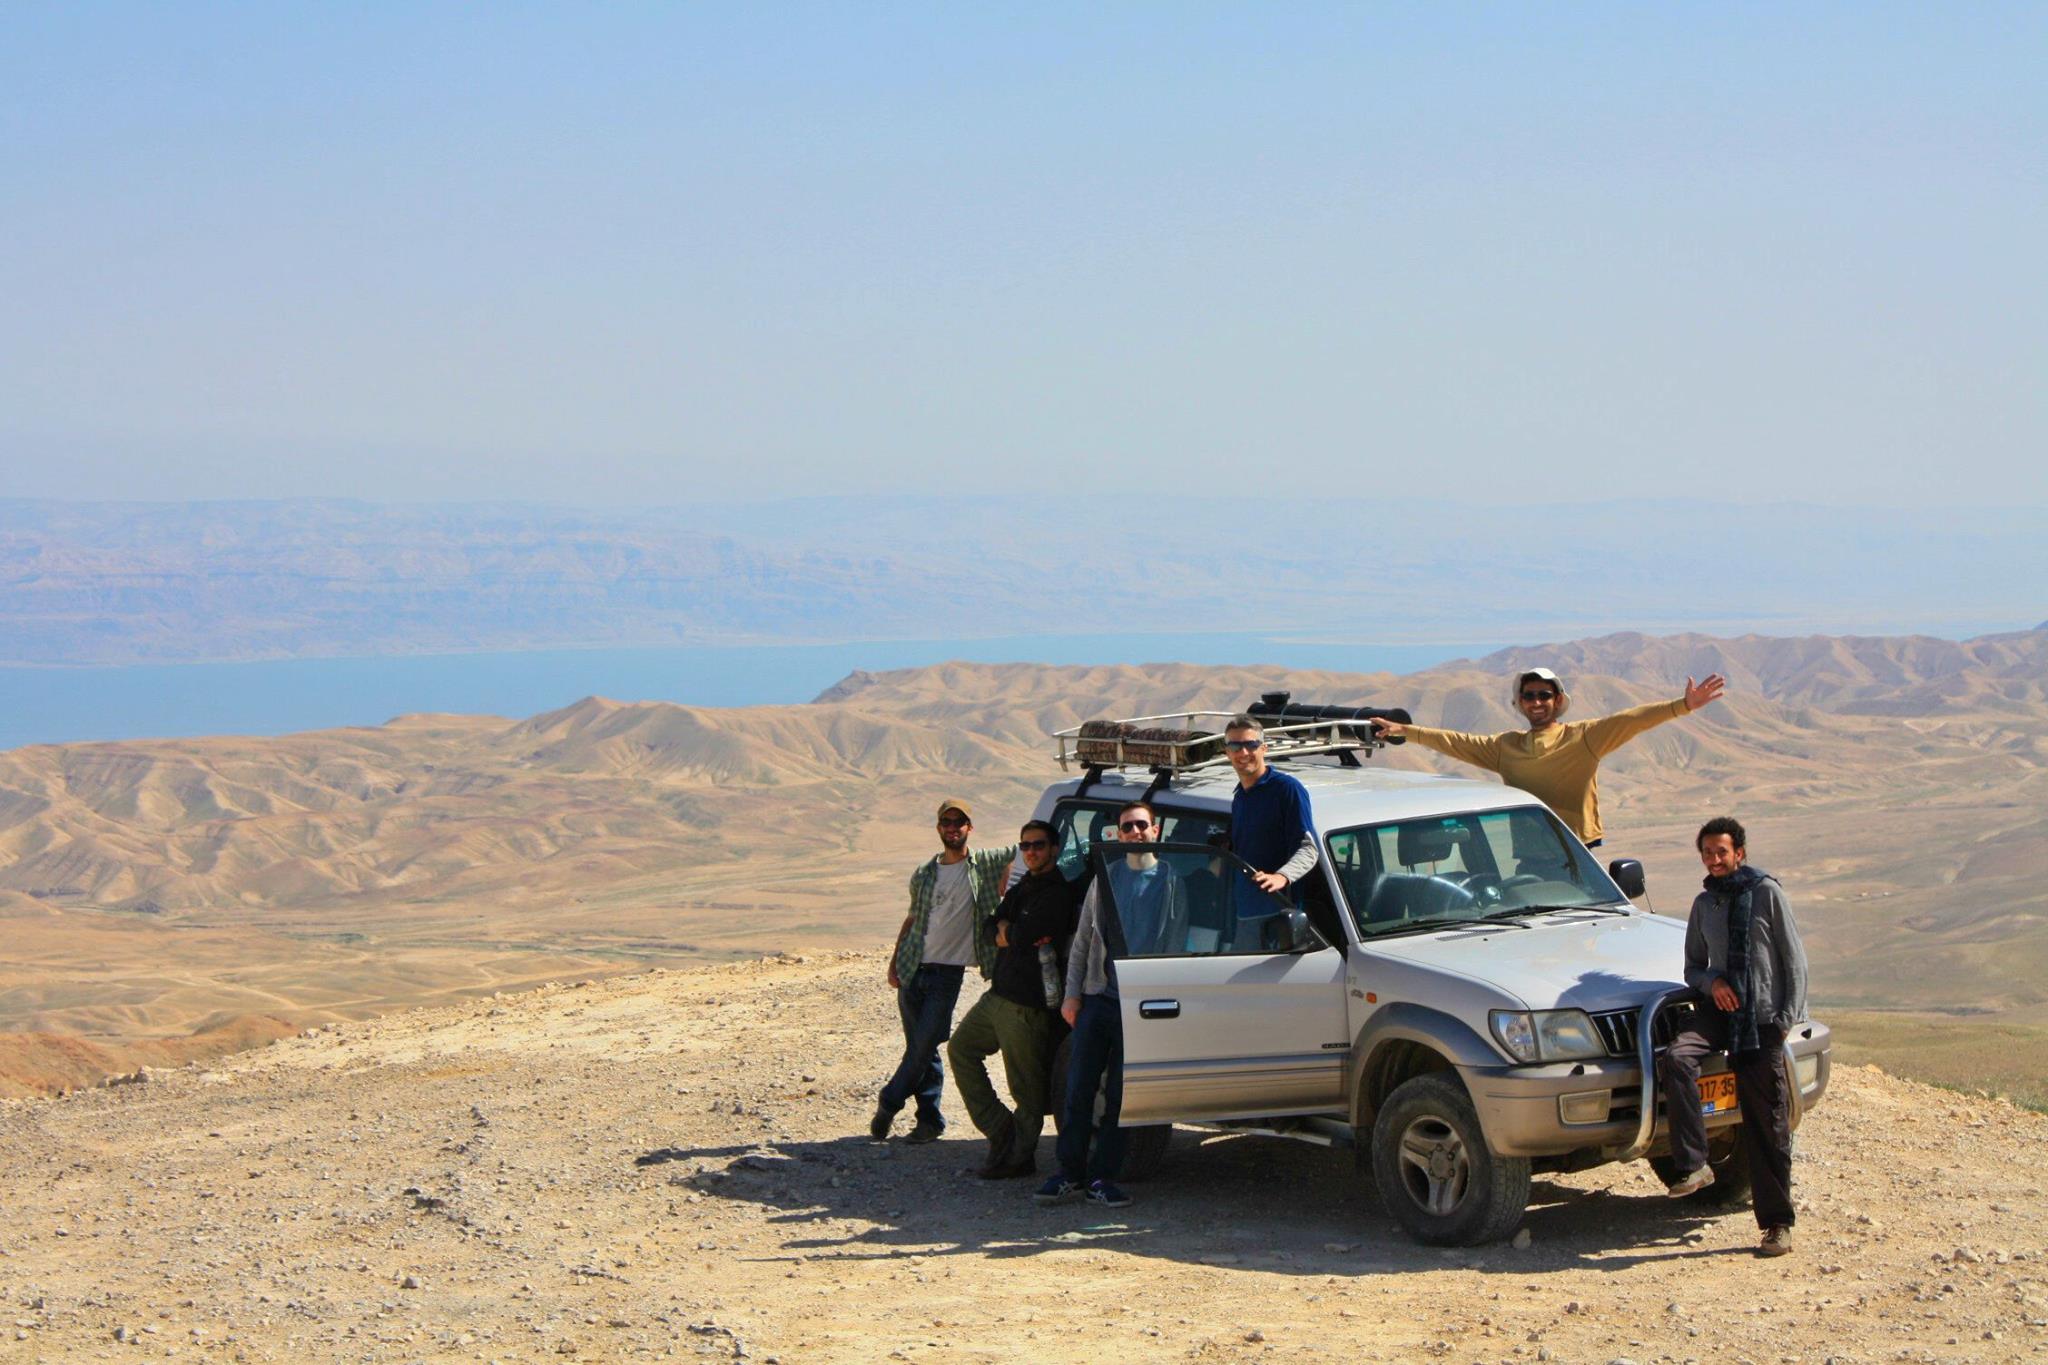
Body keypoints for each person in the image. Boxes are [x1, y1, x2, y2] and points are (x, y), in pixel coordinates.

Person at [1658, 816, 1809, 1258]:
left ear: (1739, 852)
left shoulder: (1766, 893)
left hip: (1762, 1019)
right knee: (1677, 1058)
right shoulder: (1705, 904)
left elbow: (1794, 960)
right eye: (1707, 853)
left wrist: (1784, 1020)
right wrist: (1713, 984)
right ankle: (1694, 1165)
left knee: (1767, 1124)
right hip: (1720, 1012)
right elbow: (1693, 968)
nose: (1714, 860)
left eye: (1721, 851)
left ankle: (1777, 1225)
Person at [1368, 668, 1726, 847]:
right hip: (1530, 855)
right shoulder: (1505, 748)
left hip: (1579, 853)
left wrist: (1683, 706)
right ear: (1520, 702)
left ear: (1557, 701)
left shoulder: (1584, 738)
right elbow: (1455, 741)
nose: (1536, 702)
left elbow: (1631, 720)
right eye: (1529, 696)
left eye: (1544, 695)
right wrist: (1407, 731)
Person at [1038, 801, 1187, 1209]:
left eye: (1142, 825)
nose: (1135, 833)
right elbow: (1084, 940)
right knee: (1079, 1089)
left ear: (1154, 830)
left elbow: (1175, 942)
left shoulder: (1172, 881)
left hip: (1141, 1005)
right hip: (1099, 998)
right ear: (1117, 835)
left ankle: (1103, 1177)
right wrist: (1072, 995)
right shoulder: (1106, 879)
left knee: (1122, 1096)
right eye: (1127, 827)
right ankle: (1069, 1172)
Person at [871, 799, 1016, 1144]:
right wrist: (894, 964)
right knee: (921, 1048)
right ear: (938, 828)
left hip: (946, 975)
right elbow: (912, 920)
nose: (953, 828)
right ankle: (930, 1121)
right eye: (946, 822)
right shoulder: (924, 873)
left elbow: (1026, 846)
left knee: (924, 1045)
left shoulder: (985, 864)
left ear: (970, 827)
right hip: (912, 968)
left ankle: (889, 1100)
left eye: (959, 822)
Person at [947, 820, 1083, 1178]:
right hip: (999, 994)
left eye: (1038, 845)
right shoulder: (1025, 886)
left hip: (1027, 1003)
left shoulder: (1057, 894)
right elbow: (993, 926)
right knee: (961, 1049)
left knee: (1026, 1087)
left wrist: (1008, 931)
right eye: (1025, 846)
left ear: (1054, 849)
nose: (1031, 852)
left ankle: (1019, 1157)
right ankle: (1000, 1131)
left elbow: (1022, 933)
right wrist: (1004, 930)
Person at [1224, 715, 1319, 935]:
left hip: (1279, 914)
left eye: (1251, 745)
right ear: (1227, 752)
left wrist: (1281, 877)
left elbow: (1308, 848)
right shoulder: (1240, 796)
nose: (1243, 752)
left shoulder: (1287, 789)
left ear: (1264, 748)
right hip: (1243, 913)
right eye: (1236, 746)